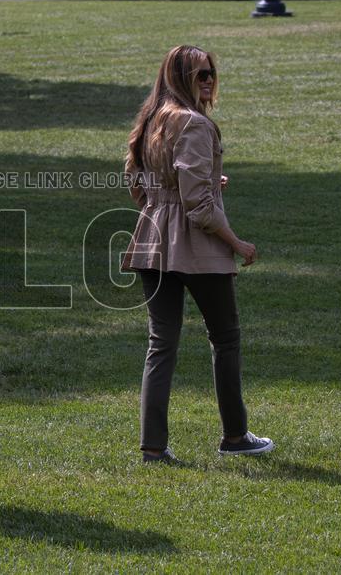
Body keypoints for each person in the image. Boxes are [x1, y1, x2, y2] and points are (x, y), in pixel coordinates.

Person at [121, 45, 273, 463]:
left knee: (161, 345)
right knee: (225, 339)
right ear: (181, 79)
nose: (208, 80)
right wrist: (236, 243)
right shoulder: (195, 124)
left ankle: (153, 447)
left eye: (211, 72)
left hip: (152, 242)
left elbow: (137, 183)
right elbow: (198, 207)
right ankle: (235, 436)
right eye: (200, 74)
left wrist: (174, 197)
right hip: (196, 247)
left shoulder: (152, 120)